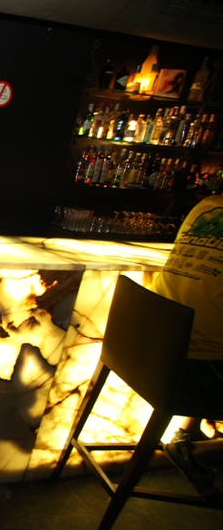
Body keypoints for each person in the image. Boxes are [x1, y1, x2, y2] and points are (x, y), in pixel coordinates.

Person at [152, 195, 223, 500]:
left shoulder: (207, 205)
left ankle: (191, 431)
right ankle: (196, 453)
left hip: (148, 348)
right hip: (193, 369)